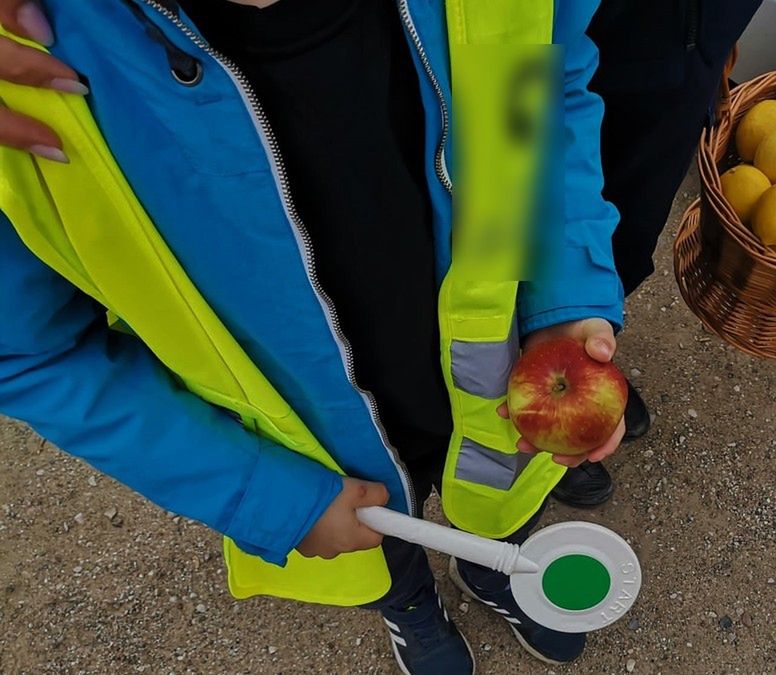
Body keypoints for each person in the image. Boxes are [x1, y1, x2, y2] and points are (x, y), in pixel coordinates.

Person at [0, 1, 623, 673]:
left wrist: (562, 296)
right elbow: (35, 353)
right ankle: (406, 601)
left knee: (498, 492)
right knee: (377, 543)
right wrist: (266, 495)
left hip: (497, 385)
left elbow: (544, 78)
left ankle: (495, 562)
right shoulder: (28, 74)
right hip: (313, 456)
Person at [551, 0, 764, 507]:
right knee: (548, 219)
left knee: (630, 231)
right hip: (591, 37)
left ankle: (584, 362)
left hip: (697, 42)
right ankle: (550, 402)